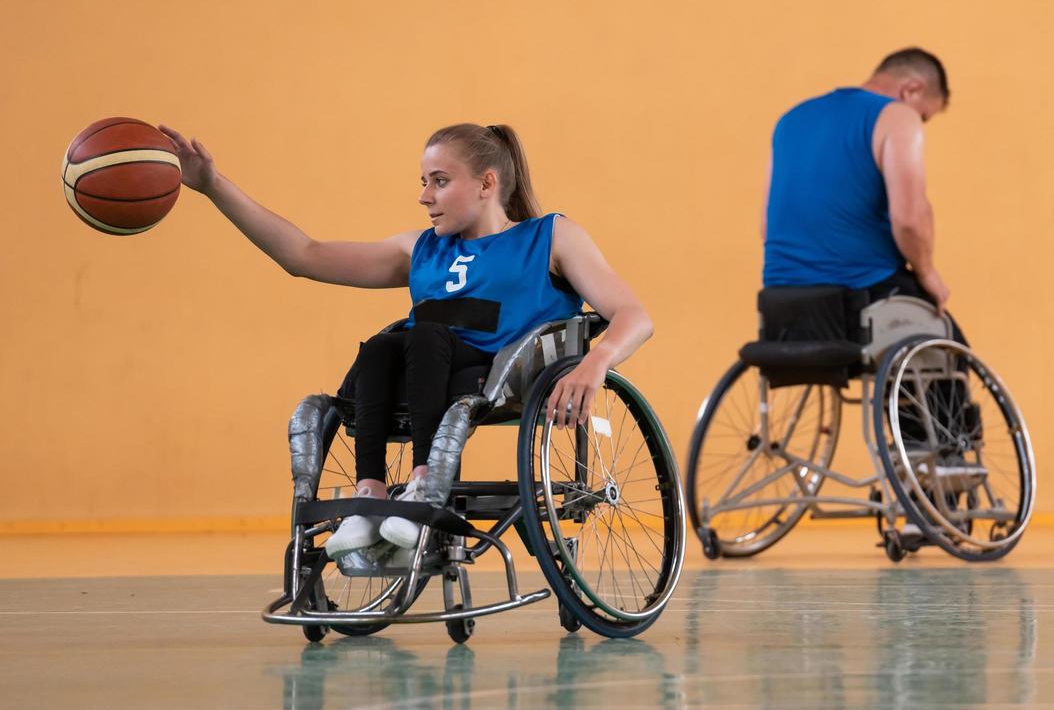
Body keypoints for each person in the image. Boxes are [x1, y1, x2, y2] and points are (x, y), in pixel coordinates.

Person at [158, 122, 653, 559]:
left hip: (499, 374)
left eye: (440, 182)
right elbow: (303, 255)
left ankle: (422, 483)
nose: (425, 196)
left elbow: (634, 315)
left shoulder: (549, 236)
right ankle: (369, 493)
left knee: (428, 337)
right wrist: (212, 186)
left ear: (487, 184)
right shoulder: (419, 248)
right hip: (424, 371)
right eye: (424, 182)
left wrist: (598, 360)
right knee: (379, 349)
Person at [762, 47, 964, 339]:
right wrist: (928, 273)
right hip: (860, 294)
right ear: (912, 90)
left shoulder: (791, 120)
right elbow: (909, 219)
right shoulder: (897, 117)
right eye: (924, 116)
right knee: (950, 356)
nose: (918, 122)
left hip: (782, 302)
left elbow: (767, 227)